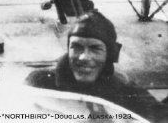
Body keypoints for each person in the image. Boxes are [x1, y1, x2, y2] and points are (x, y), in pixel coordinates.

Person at [25, 11, 167, 122]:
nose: (84, 57)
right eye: (76, 47)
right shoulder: (40, 83)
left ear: (110, 54)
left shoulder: (126, 92)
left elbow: (160, 115)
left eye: (95, 48)